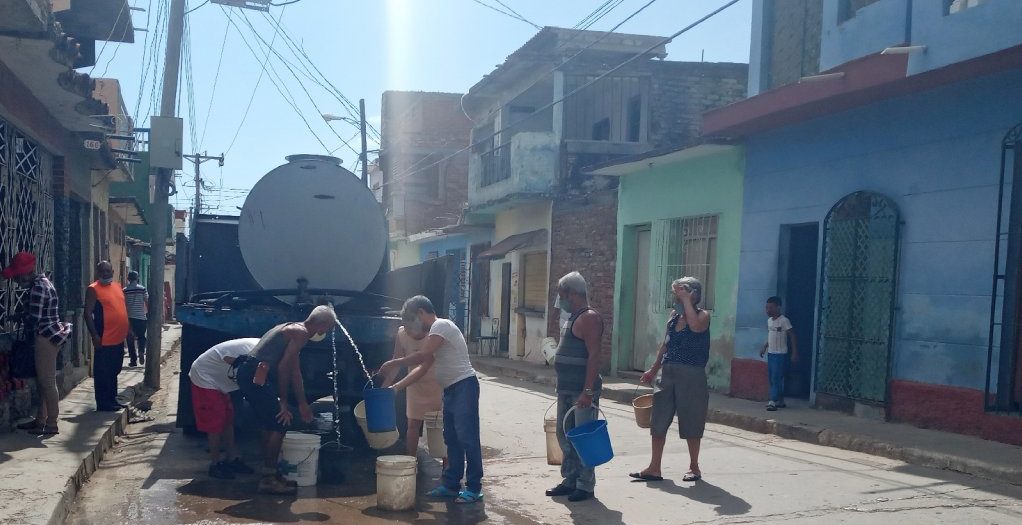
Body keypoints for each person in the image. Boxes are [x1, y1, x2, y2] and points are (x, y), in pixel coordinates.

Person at [380, 296, 483, 504]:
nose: (410, 327)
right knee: (451, 439)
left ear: (420, 313)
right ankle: (452, 485)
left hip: (464, 387)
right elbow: (424, 366)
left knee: (467, 437)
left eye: (410, 321)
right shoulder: (434, 333)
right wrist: (396, 386)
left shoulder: (441, 326)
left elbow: (422, 356)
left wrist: (394, 362)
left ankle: (474, 487)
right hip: (451, 389)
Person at [233, 305, 337, 495]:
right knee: (280, 424)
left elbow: (295, 372)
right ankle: (268, 478)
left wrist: (303, 403)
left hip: (252, 374)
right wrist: (283, 402)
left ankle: (271, 473)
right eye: (328, 328)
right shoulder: (302, 333)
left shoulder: (294, 329)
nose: (326, 333)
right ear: (322, 325)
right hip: (254, 375)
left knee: (269, 423)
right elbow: (283, 369)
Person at [632, 277, 711, 483]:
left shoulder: (703, 316)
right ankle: (654, 467)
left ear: (693, 294)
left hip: (692, 374)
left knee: (692, 420)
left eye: (681, 292)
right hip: (668, 372)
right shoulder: (674, 316)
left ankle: (694, 467)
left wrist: (686, 301)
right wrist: (653, 369)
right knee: (658, 420)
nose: (676, 297)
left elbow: (694, 327)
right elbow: (665, 344)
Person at [545, 272, 603, 503]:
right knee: (564, 434)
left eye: (562, 295)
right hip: (566, 389)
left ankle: (585, 484)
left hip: (582, 391)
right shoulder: (572, 316)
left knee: (583, 438)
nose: (561, 300)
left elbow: (595, 355)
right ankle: (569, 479)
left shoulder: (589, 317)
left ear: (572, 293)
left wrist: (587, 391)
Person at [3, 252, 71, 436]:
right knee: (43, 382)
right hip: (50, 335)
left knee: (47, 382)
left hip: (45, 338)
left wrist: (20, 318)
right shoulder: (42, 284)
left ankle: (52, 423)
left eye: (17, 276)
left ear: (26, 272)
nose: (16, 280)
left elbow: (34, 318)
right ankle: (41, 420)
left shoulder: (38, 288)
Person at [189, 338, 260, 479]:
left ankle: (232, 458)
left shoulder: (264, 347)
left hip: (221, 380)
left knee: (228, 419)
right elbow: (227, 357)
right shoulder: (253, 350)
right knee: (215, 423)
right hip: (206, 377)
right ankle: (215, 464)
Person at [380, 324, 445, 462]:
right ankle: (410, 462)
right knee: (413, 425)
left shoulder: (434, 335)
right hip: (413, 384)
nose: (410, 333)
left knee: (441, 426)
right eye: (408, 329)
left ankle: (447, 466)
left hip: (437, 383)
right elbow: (397, 359)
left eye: (412, 328)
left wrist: (396, 386)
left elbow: (424, 365)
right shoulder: (402, 333)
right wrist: (385, 386)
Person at [84, 261, 130, 412]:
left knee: (114, 370)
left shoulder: (117, 286)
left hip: (118, 338)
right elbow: (88, 313)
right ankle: (103, 403)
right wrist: (94, 335)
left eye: (108, 271)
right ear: (98, 272)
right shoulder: (93, 289)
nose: (105, 274)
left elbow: (122, 309)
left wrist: (128, 329)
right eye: (102, 271)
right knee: (103, 372)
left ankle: (112, 399)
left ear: (113, 271)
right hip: (104, 337)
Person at [760, 296, 798, 411]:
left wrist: (794, 352)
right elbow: (770, 336)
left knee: (776, 377)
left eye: (771, 308)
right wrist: (765, 347)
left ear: (778, 307)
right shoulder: (769, 321)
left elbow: (792, 335)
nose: (768, 310)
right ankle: (780, 400)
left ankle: (772, 401)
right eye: (767, 308)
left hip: (780, 354)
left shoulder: (784, 321)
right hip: (771, 353)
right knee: (772, 378)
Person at [123, 271, 148, 368]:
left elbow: (123, 304)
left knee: (130, 339)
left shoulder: (124, 290)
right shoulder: (142, 289)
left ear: (128, 279)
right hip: (141, 317)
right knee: (141, 337)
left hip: (129, 318)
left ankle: (133, 360)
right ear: (137, 278)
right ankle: (141, 351)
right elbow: (147, 301)